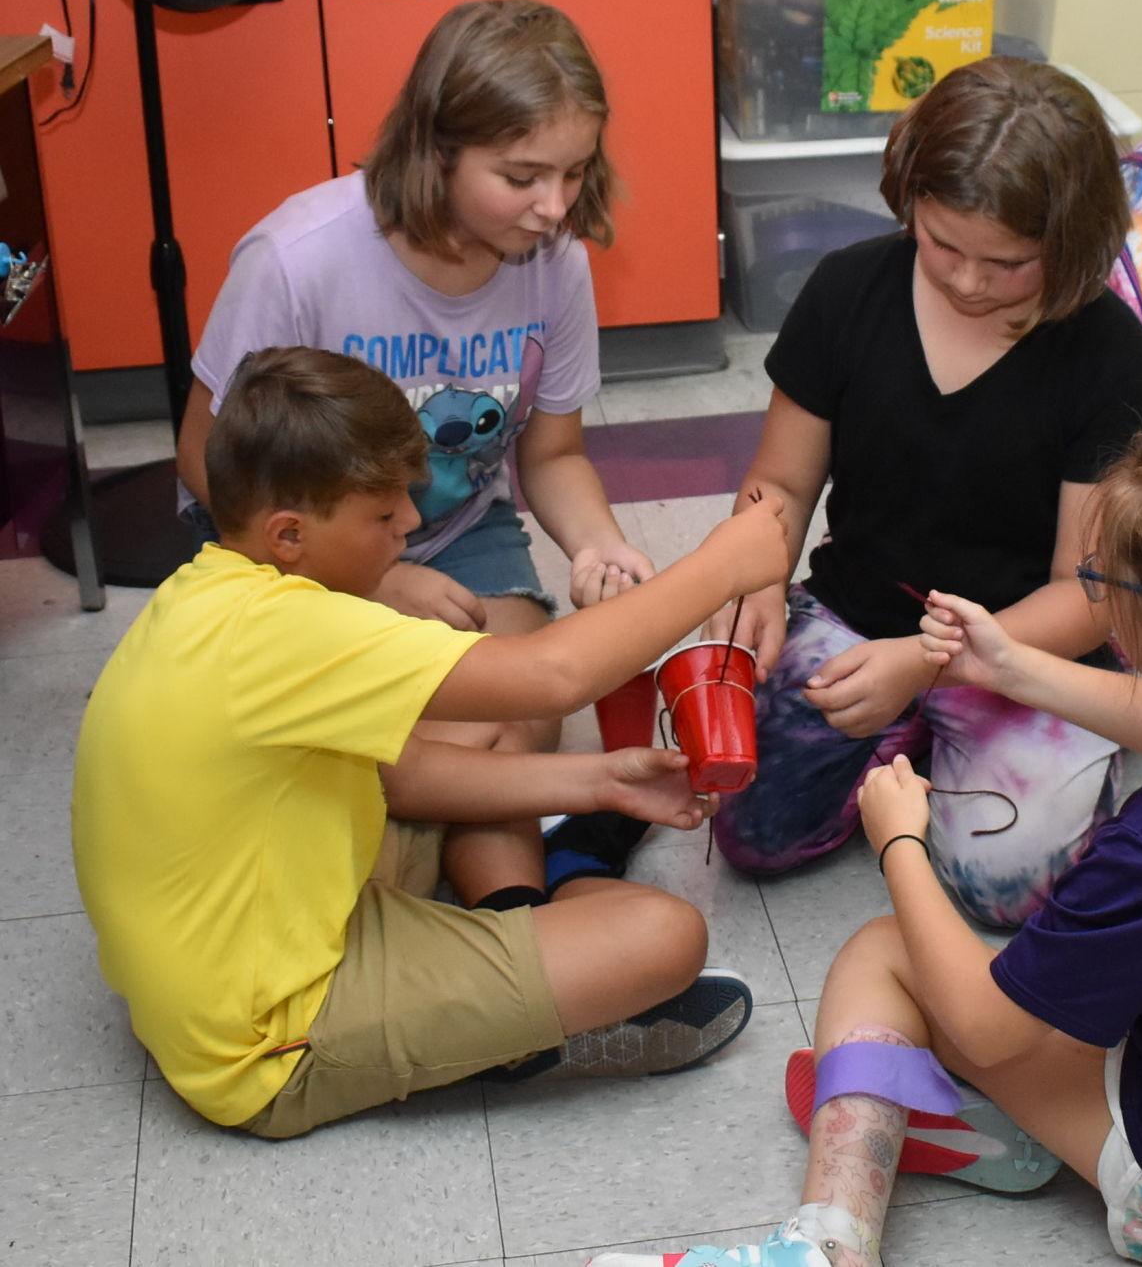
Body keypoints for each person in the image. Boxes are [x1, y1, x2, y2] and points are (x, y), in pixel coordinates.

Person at [600, 423, 1142, 1267]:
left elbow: (989, 1026)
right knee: (1054, 983)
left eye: (1099, 582)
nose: (1095, 594)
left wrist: (900, 837)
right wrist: (1004, 666)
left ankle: (826, 1248)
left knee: (886, 954)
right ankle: (996, 1135)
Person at [73, 346, 789, 1139]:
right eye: (383, 515)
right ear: (288, 534)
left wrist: (600, 781)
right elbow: (557, 676)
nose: (411, 524)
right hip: (265, 1042)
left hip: (244, 937)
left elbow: (401, 779)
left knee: (470, 728)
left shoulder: (210, 589)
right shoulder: (294, 632)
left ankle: (511, 968)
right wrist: (725, 563)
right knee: (667, 937)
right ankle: (507, 1036)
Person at [174, 0, 649, 889]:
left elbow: (551, 456)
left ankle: (513, 925)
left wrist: (598, 544)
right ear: (436, 151)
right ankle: (506, 906)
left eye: (576, 171)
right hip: (301, 558)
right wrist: (380, 580)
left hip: (463, 538)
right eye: (520, 176)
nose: (554, 207)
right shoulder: (296, 258)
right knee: (428, 739)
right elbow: (206, 457)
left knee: (496, 717)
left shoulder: (558, 262)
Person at [704, 58, 1142, 927]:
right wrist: (756, 581)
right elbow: (777, 483)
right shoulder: (848, 290)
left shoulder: (1106, 353)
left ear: (1070, 242)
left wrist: (924, 664)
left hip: (1027, 645)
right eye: (942, 243)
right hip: (860, 611)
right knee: (752, 831)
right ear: (909, 193)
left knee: (1010, 889)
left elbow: (1091, 593)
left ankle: (955, 742)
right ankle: (913, 744)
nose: (965, 281)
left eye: (1007, 264)